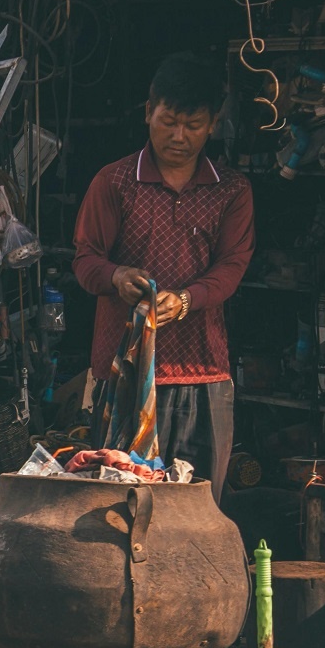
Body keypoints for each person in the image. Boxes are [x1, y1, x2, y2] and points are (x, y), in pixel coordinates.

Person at [73, 52, 255, 500]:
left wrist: (188, 299)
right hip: (124, 373)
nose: (179, 136)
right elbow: (85, 260)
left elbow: (232, 267)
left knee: (198, 504)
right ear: (147, 112)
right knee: (120, 503)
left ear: (213, 124)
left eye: (193, 124)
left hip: (202, 372)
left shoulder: (231, 191)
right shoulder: (114, 182)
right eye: (168, 120)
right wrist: (115, 277)